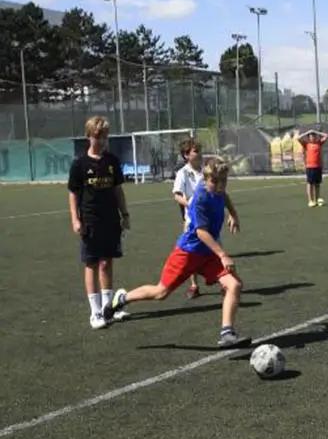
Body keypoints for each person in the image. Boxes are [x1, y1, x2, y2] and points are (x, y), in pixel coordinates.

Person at [102, 158, 250, 348]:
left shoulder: (218, 190)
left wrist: (233, 214)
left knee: (234, 285)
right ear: (205, 179)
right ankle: (122, 299)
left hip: (207, 254)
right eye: (216, 181)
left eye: (224, 181)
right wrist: (222, 255)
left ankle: (227, 333)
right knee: (160, 292)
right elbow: (201, 232)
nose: (220, 186)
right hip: (187, 253)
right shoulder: (200, 198)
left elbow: (224, 196)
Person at [67, 116, 130, 329]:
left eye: (104, 137)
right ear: (88, 136)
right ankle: (95, 313)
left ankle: (107, 310)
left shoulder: (112, 161)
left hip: (110, 220)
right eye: (97, 137)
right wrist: (75, 219)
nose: (101, 141)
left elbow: (118, 190)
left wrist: (125, 214)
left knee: (107, 262)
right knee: (92, 263)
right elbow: (73, 194)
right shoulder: (79, 164)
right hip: (90, 220)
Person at [173, 138, 204, 300]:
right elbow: (177, 196)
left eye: (200, 151)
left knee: (216, 250)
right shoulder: (182, 173)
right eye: (196, 151)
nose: (199, 154)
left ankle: (224, 282)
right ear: (186, 155)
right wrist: (189, 206)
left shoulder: (207, 171)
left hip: (208, 219)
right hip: (192, 220)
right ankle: (194, 285)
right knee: (191, 253)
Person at [298, 129, 328, 207]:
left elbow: (326, 136)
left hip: (318, 166)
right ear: (309, 138)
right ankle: (310, 201)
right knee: (310, 184)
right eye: (311, 136)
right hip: (310, 167)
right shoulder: (306, 144)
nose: (312, 138)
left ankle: (317, 200)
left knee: (317, 184)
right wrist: (307, 132)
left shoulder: (319, 143)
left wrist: (315, 132)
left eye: (313, 136)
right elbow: (298, 138)